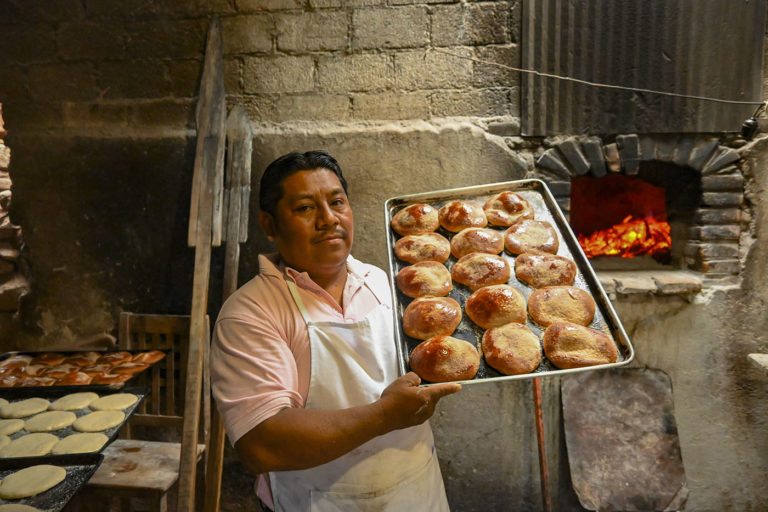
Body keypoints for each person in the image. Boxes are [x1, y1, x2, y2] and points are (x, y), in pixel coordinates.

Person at [210, 150, 462, 512]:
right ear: (269, 225)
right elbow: (261, 444)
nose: (329, 219)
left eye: (337, 202)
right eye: (305, 208)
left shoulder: (381, 282)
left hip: (417, 494)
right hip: (320, 502)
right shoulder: (250, 313)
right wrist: (384, 416)